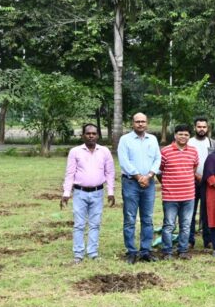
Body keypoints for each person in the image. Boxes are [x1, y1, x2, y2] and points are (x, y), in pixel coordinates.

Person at [61, 124, 115, 263]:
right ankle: (78, 254)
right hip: (80, 192)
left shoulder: (104, 151)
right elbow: (70, 173)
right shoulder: (75, 151)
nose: (91, 135)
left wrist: (110, 192)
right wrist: (66, 193)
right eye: (88, 133)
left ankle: (93, 253)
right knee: (79, 224)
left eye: (94, 133)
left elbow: (110, 172)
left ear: (97, 135)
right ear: (83, 135)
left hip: (98, 192)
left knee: (95, 224)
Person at [117, 112, 161, 264]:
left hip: (148, 183)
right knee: (130, 218)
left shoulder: (153, 139)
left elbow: (157, 159)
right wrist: (138, 177)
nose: (140, 124)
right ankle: (131, 251)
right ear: (132, 123)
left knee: (147, 218)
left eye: (143, 121)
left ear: (147, 123)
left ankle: (145, 250)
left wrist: (148, 176)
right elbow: (124, 161)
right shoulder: (125, 140)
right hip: (131, 183)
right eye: (137, 122)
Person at [158, 124, 199, 260]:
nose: (183, 137)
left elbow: (193, 169)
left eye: (186, 134)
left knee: (186, 225)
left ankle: (183, 250)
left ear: (189, 136)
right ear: (175, 135)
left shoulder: (193, 151)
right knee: (169, 224)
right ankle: (167, 251)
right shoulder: (165, 151)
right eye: (180, 134)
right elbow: (160, 171)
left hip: (188, 195)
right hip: (170, 196)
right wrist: (168, 184)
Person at [187, 117, 215, 250]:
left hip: (208, 182)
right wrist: (195, 175)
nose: (201, 129)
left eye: (204, 127)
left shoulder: (212, 143)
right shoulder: (188, 142)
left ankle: (208, 240)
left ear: (207, 128)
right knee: (190, 212)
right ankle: (189, 240)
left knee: (207, 212)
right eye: (199, 127)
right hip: (190, 181)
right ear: (195, 128)